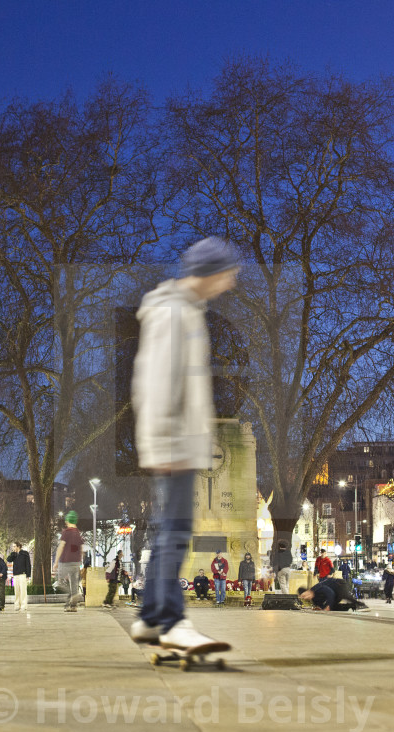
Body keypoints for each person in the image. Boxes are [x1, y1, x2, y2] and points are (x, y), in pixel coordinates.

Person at [130, 236, 239, 650]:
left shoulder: (185, 311)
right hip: (174, 441)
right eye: (228, 273)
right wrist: (165, 443)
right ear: (211, 273)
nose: (231, 282)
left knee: (170, 530)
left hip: (179, 440)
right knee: (176, 531)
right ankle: (172, 621)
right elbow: (156, 382)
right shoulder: (174, 313)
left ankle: (151, 616)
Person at [53, 511, 85, 612]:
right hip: (76, 562)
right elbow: (81, 549)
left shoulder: (66, 532)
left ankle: (73, 596)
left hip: (65, 561)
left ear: (67, 521)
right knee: (74, 584)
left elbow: (61, 546)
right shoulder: (78, 533)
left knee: (59, 583)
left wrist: (56, 562)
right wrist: (80, 560)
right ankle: (73, 606)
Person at [298, 576, 366, 612]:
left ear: (307, 591)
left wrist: (328, 605)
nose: (305, 598)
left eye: (305, 595)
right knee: (332, 607)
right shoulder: (314, 600)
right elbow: (321, 605)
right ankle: (352, 606)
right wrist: (321, 608)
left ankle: (362, 605)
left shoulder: (317, 588)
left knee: (344, 595)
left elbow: (330, 593)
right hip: (335, 591)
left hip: (339, 584)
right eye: (303, 598)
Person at [7, 541, 31, 612]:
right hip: (15, 574)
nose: (13, 548)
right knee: (16, 591)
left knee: (23, 590)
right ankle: (17, 605)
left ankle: (24, 605)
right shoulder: (13, 554)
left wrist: (28, 575)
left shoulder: (24, 554)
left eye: (14, 546)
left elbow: (28, 564)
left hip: (23, 574)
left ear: (18, 546)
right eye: (13, 546)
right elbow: (8, 560)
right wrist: (12, 554)